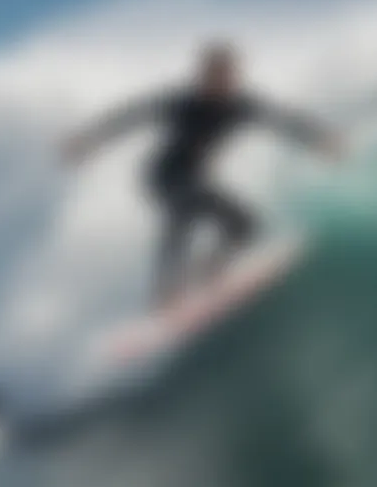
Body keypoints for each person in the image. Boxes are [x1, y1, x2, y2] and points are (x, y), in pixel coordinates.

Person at [62, 42, 344, 309]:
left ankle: (212, 271)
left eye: (227, 76)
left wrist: (318, 139)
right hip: (162, 175)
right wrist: (89, 140)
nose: (221, 83)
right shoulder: (181, 102)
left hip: (195, 178)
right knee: (184, 210)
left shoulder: (241, 106)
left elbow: (281, 119)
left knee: (245, 225)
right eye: (213, 76)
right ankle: (166, 291)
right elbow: (130, 116)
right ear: (203, 77)